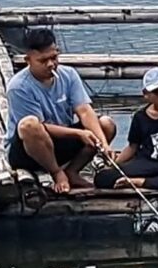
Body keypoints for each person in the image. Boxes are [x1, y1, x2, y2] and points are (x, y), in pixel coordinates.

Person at [6, 27, 115, 193]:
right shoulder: (19, 87)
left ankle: (72, 171)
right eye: (43, 61)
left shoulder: (68, 75)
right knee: (29, 125)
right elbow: (40, 127)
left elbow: (84, 110)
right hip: (29, 149)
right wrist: (78, 134)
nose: (51, 64)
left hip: (60, 142)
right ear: (28, 60)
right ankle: (56, 172)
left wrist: (103, 143)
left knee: (106, 124)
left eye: (54, 58)